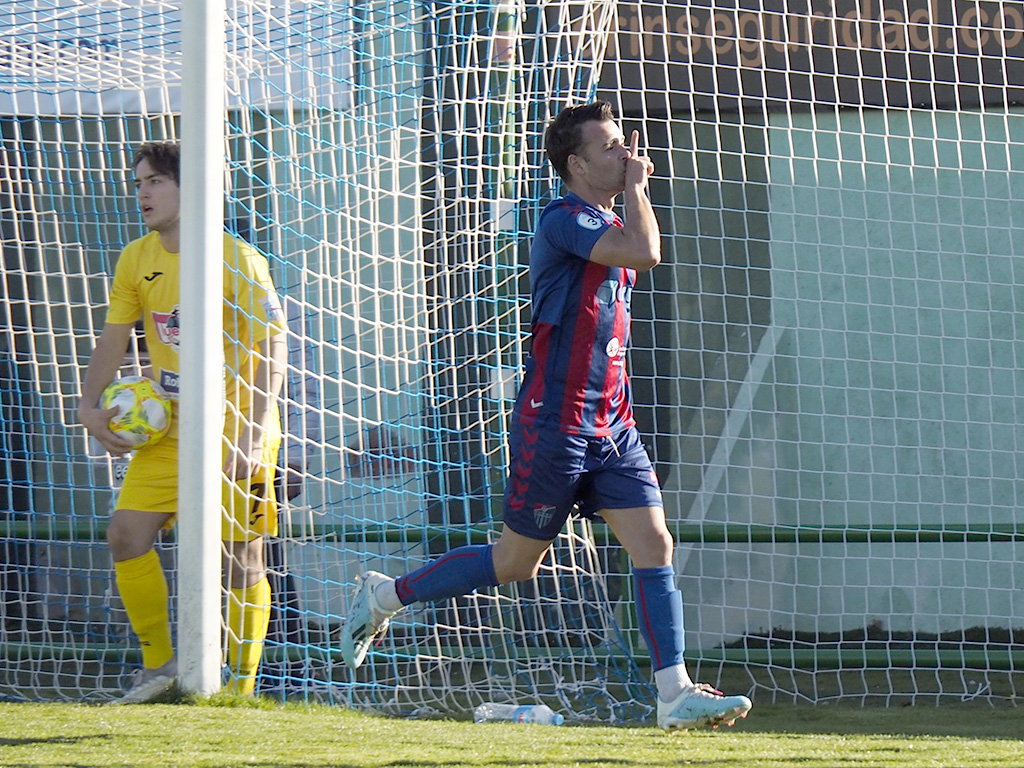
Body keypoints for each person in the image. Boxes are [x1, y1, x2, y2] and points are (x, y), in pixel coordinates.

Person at [340, 101, 752, 731]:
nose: (626, 153)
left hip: (612, 424)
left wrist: (632, 189)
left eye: (623, 144)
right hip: (554, 424)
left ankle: (674, 695)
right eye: (611, 147)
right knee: (514, 565)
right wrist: (639, 186)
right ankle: (386, 595)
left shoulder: (607, 216)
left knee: (654, 542)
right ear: (576, 162)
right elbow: (644, 252)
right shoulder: (565, 218)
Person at [78, 141, 287, 704]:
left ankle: (238, 691)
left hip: (235, 431)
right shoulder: (135, 258)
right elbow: (114, 337)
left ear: (188, 187)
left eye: (155, 181)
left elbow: (272, 349)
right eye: (139, 182)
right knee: (125, 535)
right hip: (168, 432)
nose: (142, 191)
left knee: (240, 558)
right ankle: (159, 667)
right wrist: (88, 405)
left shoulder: (237, 259)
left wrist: (252, 434)